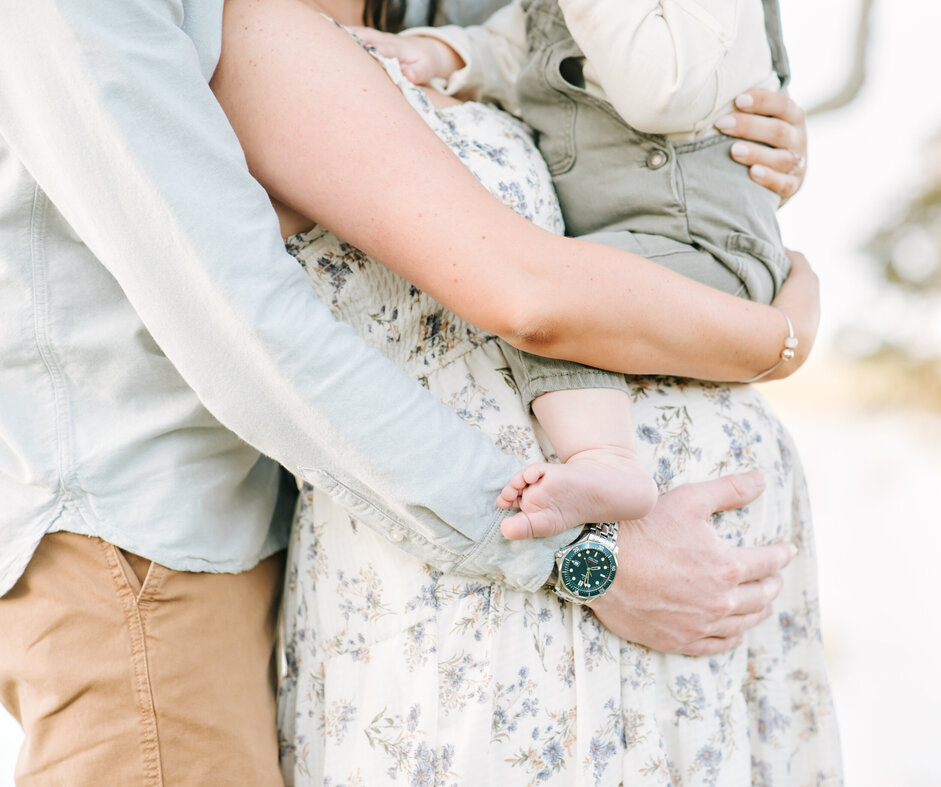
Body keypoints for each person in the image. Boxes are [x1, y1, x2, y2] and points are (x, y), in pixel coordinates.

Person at [0, 1, 815, 785]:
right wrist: (774, 339)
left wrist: (723, 127)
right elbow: (248, 325)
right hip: (143, 542)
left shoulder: (421, 16)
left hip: (360, 548)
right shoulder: (235, 32)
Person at [355, 0, 799, 541]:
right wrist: (438, 51)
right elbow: (515, 46)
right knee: (552, 283)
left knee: (559, 294)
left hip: (698, 238)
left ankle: (607, 460)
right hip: (628, 242)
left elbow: (661, 92)